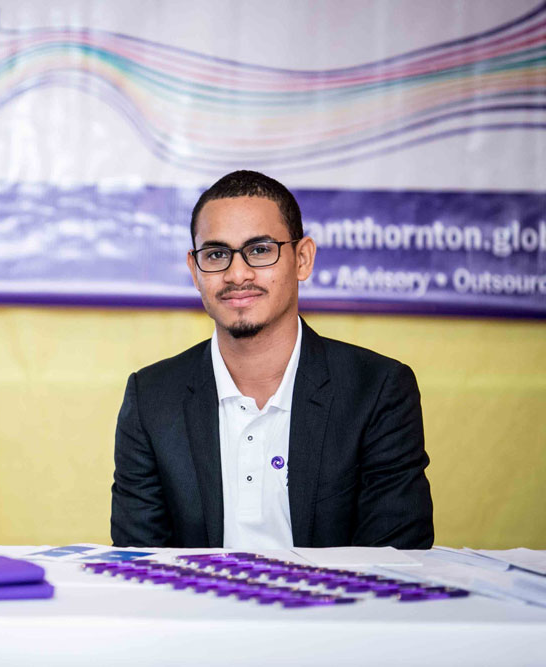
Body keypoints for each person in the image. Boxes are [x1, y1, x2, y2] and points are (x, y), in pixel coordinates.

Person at [111, 170, 433, 550]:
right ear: (195, 271)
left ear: (302, 259)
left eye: (260, 250)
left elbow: (393, 561)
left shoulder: (377, 390)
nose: (237, 274)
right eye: (216, 255)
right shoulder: (151, 398)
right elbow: (142, 564)